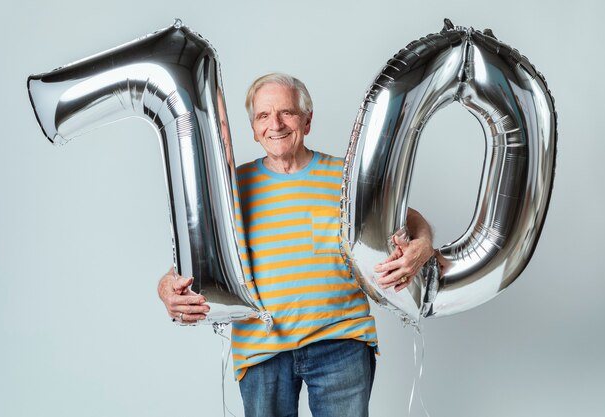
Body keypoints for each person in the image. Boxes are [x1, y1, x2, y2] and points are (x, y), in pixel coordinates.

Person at [157, 73, 434, 417]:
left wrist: (423, 247)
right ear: (254, 129)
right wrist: (166, 286)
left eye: (287, 112)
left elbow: (409, 218)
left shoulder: (345, 177)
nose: (275, 124)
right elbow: (195, 257)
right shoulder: (231, 188)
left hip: (341, 343)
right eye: (263, 116)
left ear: (307, 120)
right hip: (261, 350)